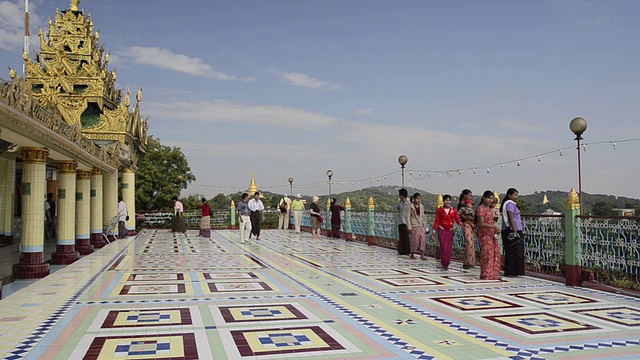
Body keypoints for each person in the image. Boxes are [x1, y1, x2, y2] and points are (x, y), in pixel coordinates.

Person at [431, 194, 461, 270]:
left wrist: (460, 224)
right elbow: (437, 221)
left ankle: (447, 263)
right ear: (443, 201)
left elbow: (457, 218)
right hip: (442, 230)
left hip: (450, 230)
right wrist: (434, 231)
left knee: (449, 248)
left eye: (449, 200)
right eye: (446, 200)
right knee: (443, 247)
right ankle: (444, 262)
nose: (448, 202)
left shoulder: (453, 210)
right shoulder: (439, 210)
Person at [477, 191, 502, 280]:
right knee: (487, 254)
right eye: (488, 198)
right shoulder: (481, 209)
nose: (490, 200)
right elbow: (481, 223)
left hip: (492, 233)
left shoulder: (489, 209)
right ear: (484, 198)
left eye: (491, 198)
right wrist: (493, 226)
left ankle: (493, 274)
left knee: (495, 252)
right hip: (485, 234)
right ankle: (486, 274)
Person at [501, 188, 525, 277]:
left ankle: (515, 271)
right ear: (509, 195)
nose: (516, 197)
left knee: (516, 252)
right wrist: (515, 230)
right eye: (515, 195)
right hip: (512, 230)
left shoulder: (512, 204)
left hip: (515, 229)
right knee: (512, 252)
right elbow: (510, 217)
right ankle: (510, 271)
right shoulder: (509, 204)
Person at [407, 193, 427, 260]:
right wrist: (409, 227)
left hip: (421, 225)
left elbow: (423, 216)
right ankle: (412, 254)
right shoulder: (410, 206)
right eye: (417, 199)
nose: (419, 200)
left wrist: (425, 225)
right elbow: (408, 217)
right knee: (414, 240)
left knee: (423, 240)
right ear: (414, 199)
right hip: (414, 225)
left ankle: (422, 255)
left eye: (420, 199)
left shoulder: (421, 206)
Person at [459, 198, 477, 269]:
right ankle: (468, 261)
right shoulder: (463, 209)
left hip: (472, 226)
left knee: (471, 243)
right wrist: (466, 218)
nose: (471, 205)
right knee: (469, 242)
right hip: (466, 225)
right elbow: (459, 215)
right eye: (470, 204)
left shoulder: (473, 211)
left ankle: (471, 261)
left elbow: (475, 218)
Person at [396, 188, 411, 255]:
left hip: (407, 221)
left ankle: (407, 251)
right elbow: (397, 208)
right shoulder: (400, 203)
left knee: (406, 237)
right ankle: (401, 250)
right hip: (400, 221)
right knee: (401, 236)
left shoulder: (409, 202)